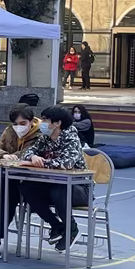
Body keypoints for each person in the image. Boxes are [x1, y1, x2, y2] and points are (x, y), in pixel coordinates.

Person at [18, 106, 89, 252]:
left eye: (45, 120)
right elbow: (27, 153)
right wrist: (33, 156)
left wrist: (40, 163)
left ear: (57, 123)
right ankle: (56, 225)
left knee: (59, 189)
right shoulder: (45, 137)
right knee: (27, 187)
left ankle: (72, 229)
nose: (42, 123)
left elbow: (66, 163)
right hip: (53, 184)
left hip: (78, 188)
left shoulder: (71, 138)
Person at [0, 103, 41, 259]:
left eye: (23, 123)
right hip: (6, 177)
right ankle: (1, 222)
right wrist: (3, 155)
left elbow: (26, 154)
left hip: (26, 180)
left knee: (8, 200)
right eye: (15, 124)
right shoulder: (9, 131)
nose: (18, 127)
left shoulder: (41, 135)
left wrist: (13, 157)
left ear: (31, 121)